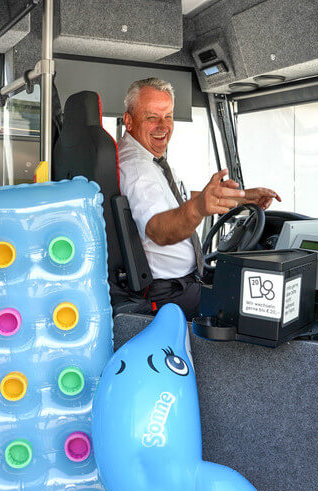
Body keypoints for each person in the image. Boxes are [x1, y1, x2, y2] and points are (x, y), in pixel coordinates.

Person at [118, 78, 281, 319]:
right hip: (170, 295)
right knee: (262, 311)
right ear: (129, 120)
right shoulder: (137, 170)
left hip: (181, 285)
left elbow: (178, 199)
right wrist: (198, 208)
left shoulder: (148, 160)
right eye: (152, 117)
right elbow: (158, 231)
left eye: (168, 116)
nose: (163, 126)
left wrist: (243, 198)